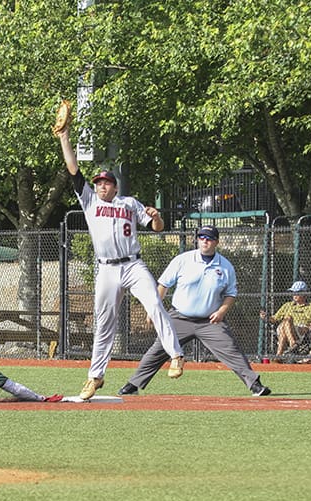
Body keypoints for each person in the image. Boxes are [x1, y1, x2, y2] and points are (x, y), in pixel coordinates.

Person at [54, 100, 184, 400]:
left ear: (115, 186)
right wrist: (64, 137)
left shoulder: (129, 203)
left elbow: (157, 229)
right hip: (107, 268)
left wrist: (157, 217)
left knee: (155, 304)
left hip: (133, 265)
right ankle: (94, 377)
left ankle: (176, 355)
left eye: (106, 183)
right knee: (105, 325)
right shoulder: (90, 202)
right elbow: (73, 170)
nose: (101, 187)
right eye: (98, 183)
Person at [118, 226, 271, 397]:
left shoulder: (225, 266)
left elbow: (231, 294)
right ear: (197, 240)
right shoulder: (183, 260)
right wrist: (154, 310)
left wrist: (222, 311)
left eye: (210, 238)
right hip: (179, 318)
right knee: (159, 349)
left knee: (231, 349)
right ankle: (133, 385)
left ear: (217, 242)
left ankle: (255, 385)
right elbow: (163, 285)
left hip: (210, 321)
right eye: (202, 237)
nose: (205, 240)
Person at [260, 280, 311, 360]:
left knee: (286, 321)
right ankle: (288, 347)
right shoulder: (287, 305)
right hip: (287, 329)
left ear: (304, 293)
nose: (294, 295)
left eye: (296, 292)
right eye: (293, 292)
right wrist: (266, 317)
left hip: (303, 331)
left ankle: (280, 354)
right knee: (285, 323)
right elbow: (274, 319)